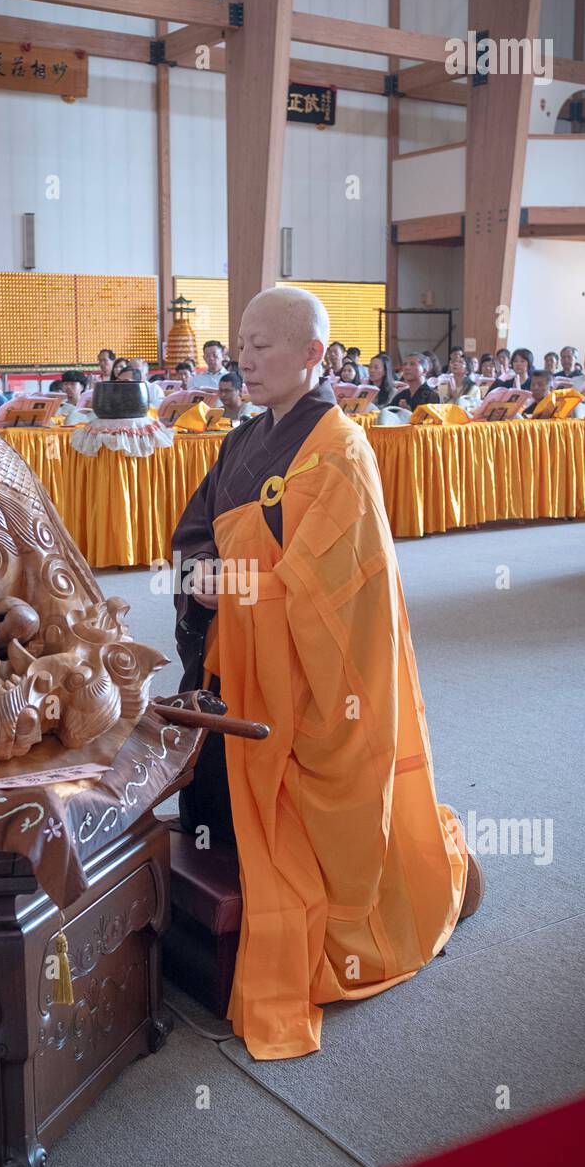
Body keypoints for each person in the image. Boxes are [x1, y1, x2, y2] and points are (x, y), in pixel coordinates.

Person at [171, 285, 477, 1062]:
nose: (244, 358)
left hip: (311, 689)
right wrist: (203, 572)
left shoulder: (341, 451)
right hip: (238, 671)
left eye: (263, 344)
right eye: (240, 342)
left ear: (314, 355)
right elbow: (197, 528)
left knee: (287, 820)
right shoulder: (242, 443)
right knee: (214, 801)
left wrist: (234, 585)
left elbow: (332, 593)